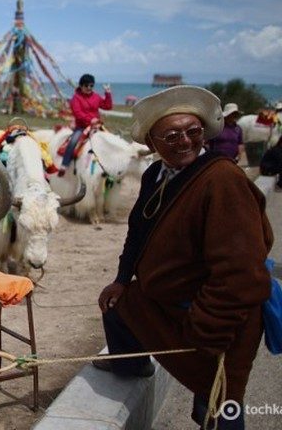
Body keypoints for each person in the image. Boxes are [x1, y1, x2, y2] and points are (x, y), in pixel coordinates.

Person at [95, 86, 273, 430]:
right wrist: (121, 279)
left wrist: (208, 332)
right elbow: (138, 233)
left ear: (204, 132)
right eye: (172, 135)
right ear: (151, 141)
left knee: (220, 401)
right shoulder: (155, 174)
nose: (185, 141)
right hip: (166, 301)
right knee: (118, 306)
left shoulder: (222, 181)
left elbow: (241, 275)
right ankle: (131, 364)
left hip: (217, 313)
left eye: (193, 132)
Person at [58, 74, 112, 176]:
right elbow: (78, 114)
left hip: (96, 126)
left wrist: (108, 93)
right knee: (73, 141)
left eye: (91, 86)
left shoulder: (96, 96)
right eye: (86, 85)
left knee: (110, 139)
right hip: (82, 127)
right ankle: (64, 165)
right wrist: (91, 120)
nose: (89, 88)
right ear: (81, 86)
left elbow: (107, 106)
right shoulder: (76, 98)